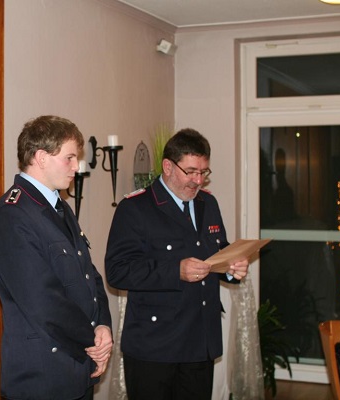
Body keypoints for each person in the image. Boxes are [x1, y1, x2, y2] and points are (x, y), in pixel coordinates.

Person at [105, 128, 248, 400]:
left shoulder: (208, 203)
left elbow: (217, 251)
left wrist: (232, 269)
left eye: (203, 172)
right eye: (191, 171)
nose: (198, 180)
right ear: (168, 166)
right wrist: (175, 271)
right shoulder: (135, 208)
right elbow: (117, 271)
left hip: (200, 342)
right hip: (155, 347)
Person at [0, 115, 113, 400]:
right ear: (41, 157)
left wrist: (103, 325)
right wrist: (92, 340)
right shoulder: (13, 214)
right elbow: (42, 300)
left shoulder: (58, 206)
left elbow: (89, 274)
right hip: (43, 376)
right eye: (69, 157)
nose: (76, 166)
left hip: (77, 367)